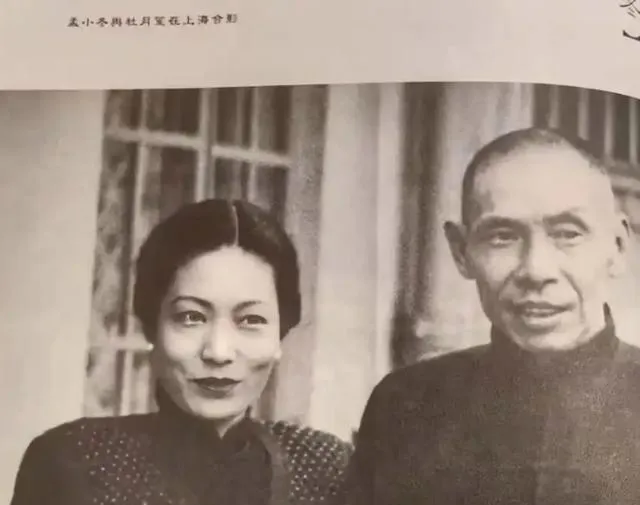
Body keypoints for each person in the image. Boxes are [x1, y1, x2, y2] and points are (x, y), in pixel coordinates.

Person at [348, 127, 640, 504]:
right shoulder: (404, 404)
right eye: (502, 236)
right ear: (461, 251)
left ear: (617, 246)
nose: (536, 270)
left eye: (568, 234)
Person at [10, 199, 352, 505]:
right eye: (191, 317)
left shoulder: (325, 467)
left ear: (280, 336)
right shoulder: (72, 462)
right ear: (151, 327)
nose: (218, 352)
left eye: (251, 320)